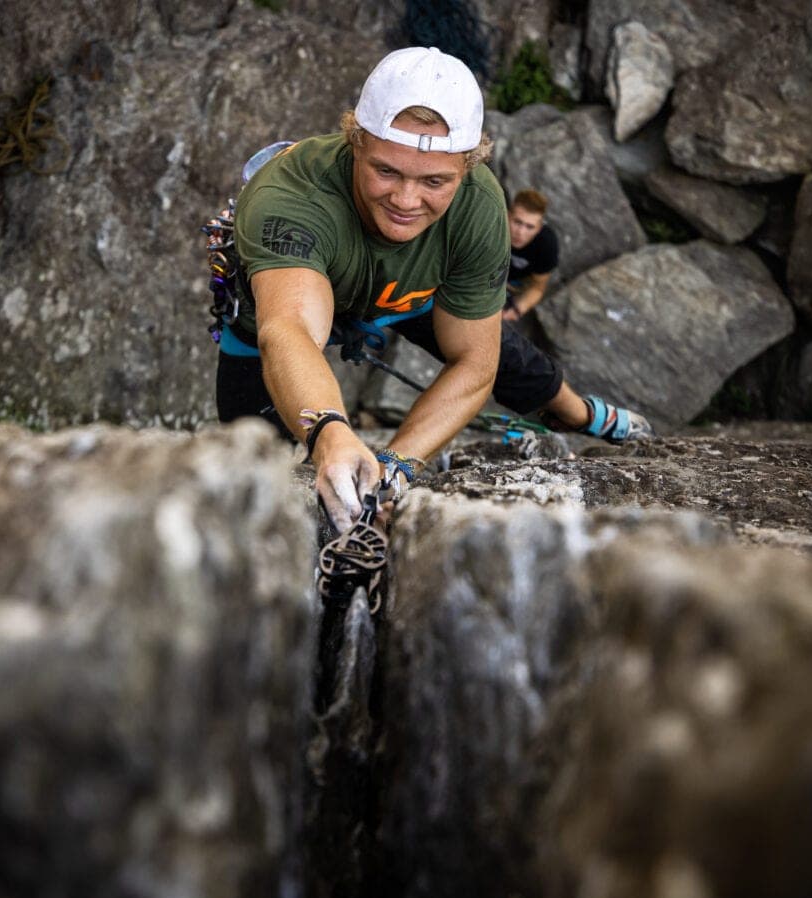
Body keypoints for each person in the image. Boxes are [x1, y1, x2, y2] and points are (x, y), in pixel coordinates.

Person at [214, 46, 653, 534]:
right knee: (253, 460)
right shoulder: (291, 195)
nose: (406, 200)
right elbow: (289, 330)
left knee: (507, 356)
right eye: (386, 171)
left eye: (435, 181)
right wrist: (329, 432)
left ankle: (579, 413)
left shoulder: (477, 205)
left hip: (408, 293)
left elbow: (475, 362)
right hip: (281, 306)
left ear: (468, 167)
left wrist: (397, 465)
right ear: (355, 142)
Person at [502, 189, 558, 322]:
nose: (520, 233)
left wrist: (517, 310)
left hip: (513, 286)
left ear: (539, 228)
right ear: (508, 216)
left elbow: (537, 287)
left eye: (530, 227)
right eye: (517, 222)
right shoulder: (491, 226)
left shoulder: (546, 244)